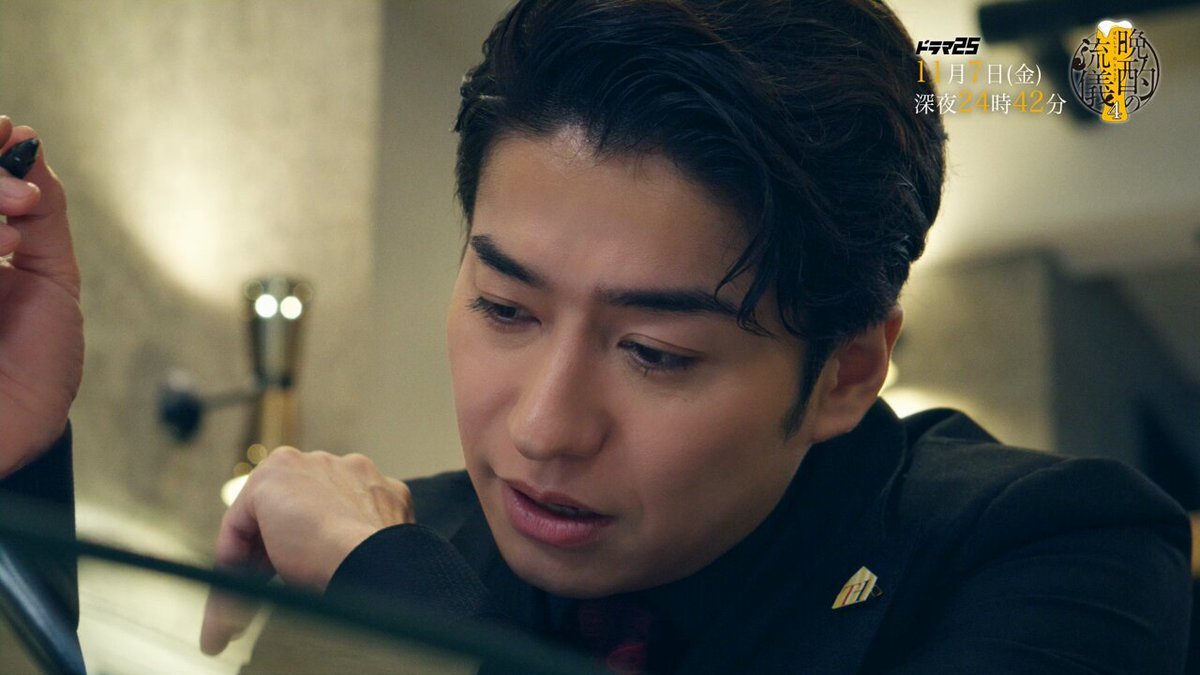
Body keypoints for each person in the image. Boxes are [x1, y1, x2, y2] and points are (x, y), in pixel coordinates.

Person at [1, 0, 1192, 673]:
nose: (542, 428)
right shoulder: (425, 538)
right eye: (505, 308)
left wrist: (395, 601)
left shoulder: (1056, 551)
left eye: (657, 354)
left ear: (845, 373)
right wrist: (13, 448)